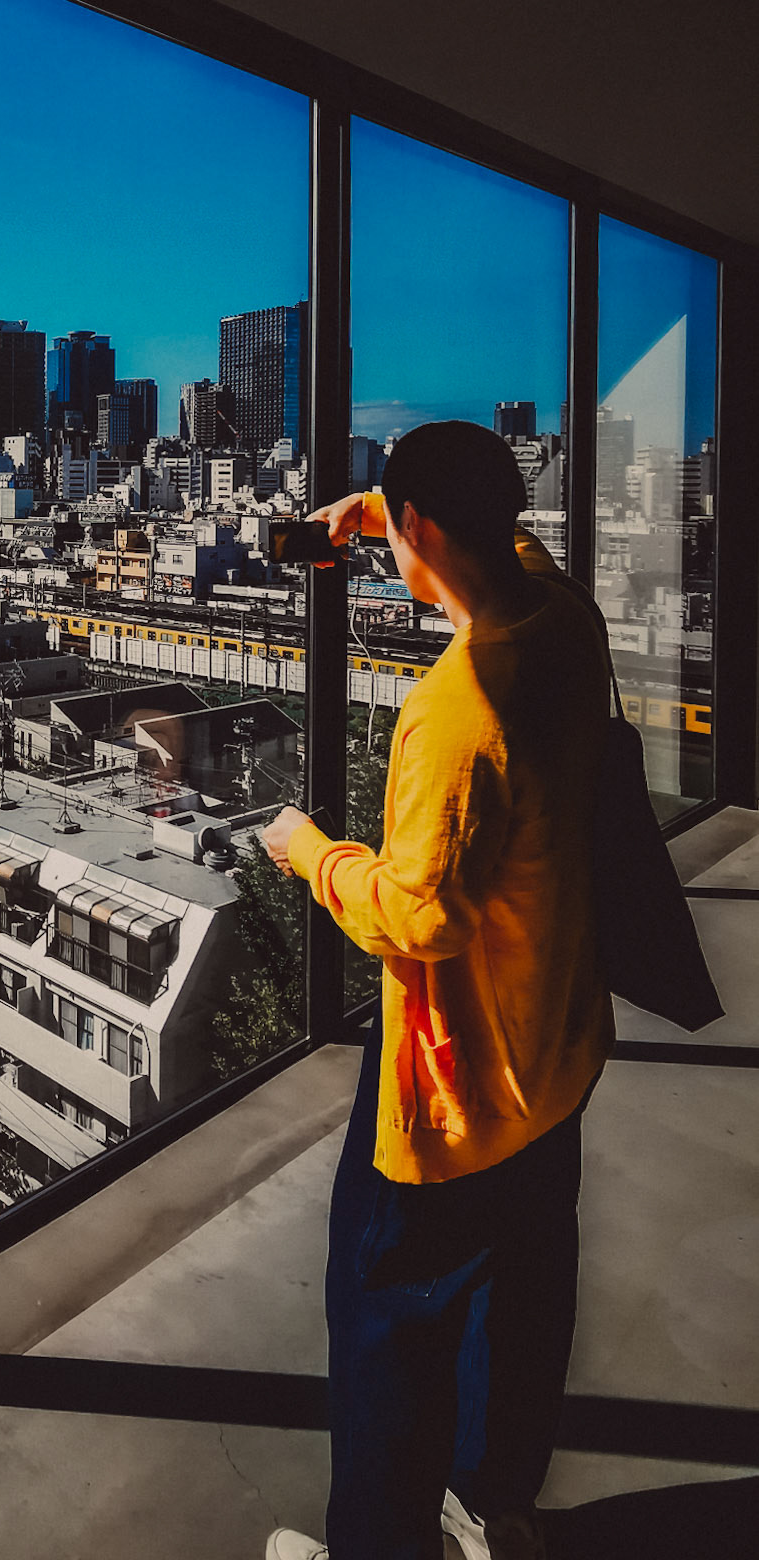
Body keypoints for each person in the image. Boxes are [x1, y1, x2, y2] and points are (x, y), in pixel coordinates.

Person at [260, 421, 613, 1560]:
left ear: (420, 530)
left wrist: (310, 850)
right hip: (554, 1043)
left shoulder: (454, 710)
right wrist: (376, 514)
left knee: (387, 1324)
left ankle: (375, 1543)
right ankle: (494, 1498)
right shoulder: (568, 622)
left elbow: (422, 915)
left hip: (454, 1076)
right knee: (526, 1287)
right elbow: (517, 558)